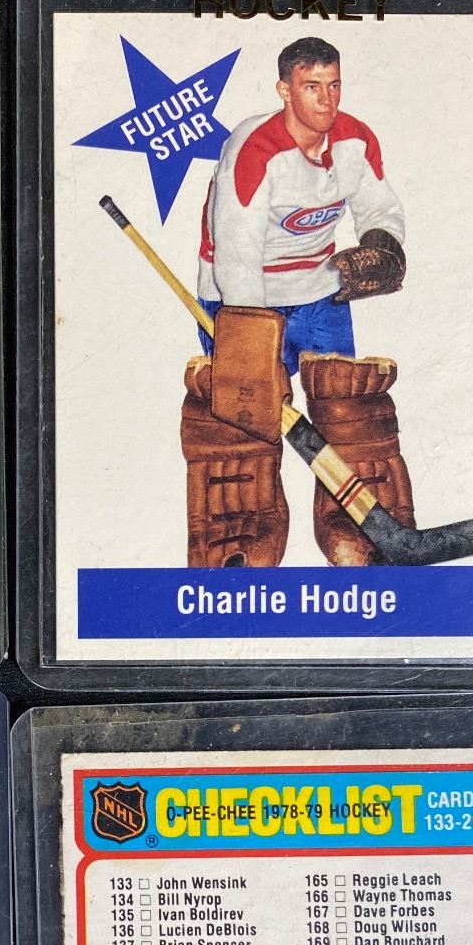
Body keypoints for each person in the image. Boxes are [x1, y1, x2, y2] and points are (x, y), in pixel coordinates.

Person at [193, 37, 413, 566]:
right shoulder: (254, 151)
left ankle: (354, 521)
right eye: (312, 87)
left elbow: (380, 206)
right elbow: (236, 255)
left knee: (347, 408)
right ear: (284, 91)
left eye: (334, 85)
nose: (326, 99)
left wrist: (383, 246)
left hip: (319, 293)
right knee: (244, 419)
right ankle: (242, 528)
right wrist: (249, 346)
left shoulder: (355, 140)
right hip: (242, 297)